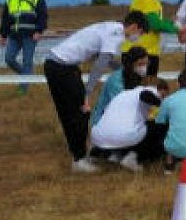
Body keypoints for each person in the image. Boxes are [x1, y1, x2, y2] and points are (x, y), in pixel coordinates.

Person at [43, 11, 148, 173]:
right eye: (140, 33)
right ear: (134, 26)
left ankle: (78, 156)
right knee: (81, 112)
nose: (138, 37)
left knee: (68, 113)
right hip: (63, 67)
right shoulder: (116, 34)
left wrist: (124, 69)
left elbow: (104, 58)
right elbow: (99, 66)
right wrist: (87, 93)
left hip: (54, 64)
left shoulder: (111, 27)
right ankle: (79, 160)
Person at [91, 79, 170, 172]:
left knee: (127, 128)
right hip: (123, 136)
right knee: (157, 128)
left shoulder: (123, 94)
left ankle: (106, 153)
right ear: (158, 89)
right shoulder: (149, 91)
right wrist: (162, 104)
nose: (163, 98)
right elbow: (144, 96)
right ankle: (133, 157)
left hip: (98, 136)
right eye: (163, 95)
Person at [0, 0, 48, 93]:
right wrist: (3, 35)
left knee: (27, 61)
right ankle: (26, 76)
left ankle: (23, 88)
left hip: (30, 36)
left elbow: (43, 16)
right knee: (9, 59)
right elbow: (6, 19)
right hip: (14, 35)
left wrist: (39, 31)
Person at [124, 0, 178, 77]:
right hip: (141, 51)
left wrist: (170, 24)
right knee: (145, 86)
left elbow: (157, 21)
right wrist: (177, 29)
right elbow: (155, 24)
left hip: (146, 49)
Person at [89, 46, 149, 128]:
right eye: (140, 64)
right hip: (104, 122)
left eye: (146, 64)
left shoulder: (138, 76)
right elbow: (121, 105)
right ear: (131, 63)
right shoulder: (116, 80)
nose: (144, 67)